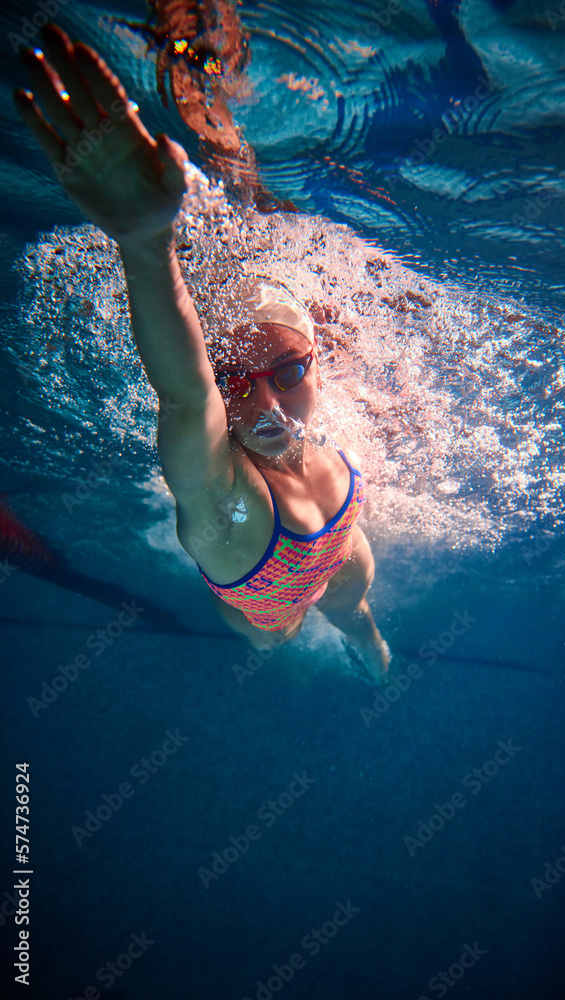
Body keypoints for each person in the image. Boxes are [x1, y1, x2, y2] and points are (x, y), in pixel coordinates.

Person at [14, 24, 391, 681]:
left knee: (355, 612)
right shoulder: (227, 505)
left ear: (317, 358)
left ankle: (367, 646)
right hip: (265, 602)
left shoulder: (324, 440)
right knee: (273, 641)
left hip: (341, 552)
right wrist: (143, 241)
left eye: (289, 370)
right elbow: (184, 395)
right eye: (235, 383)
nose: (268, 401)